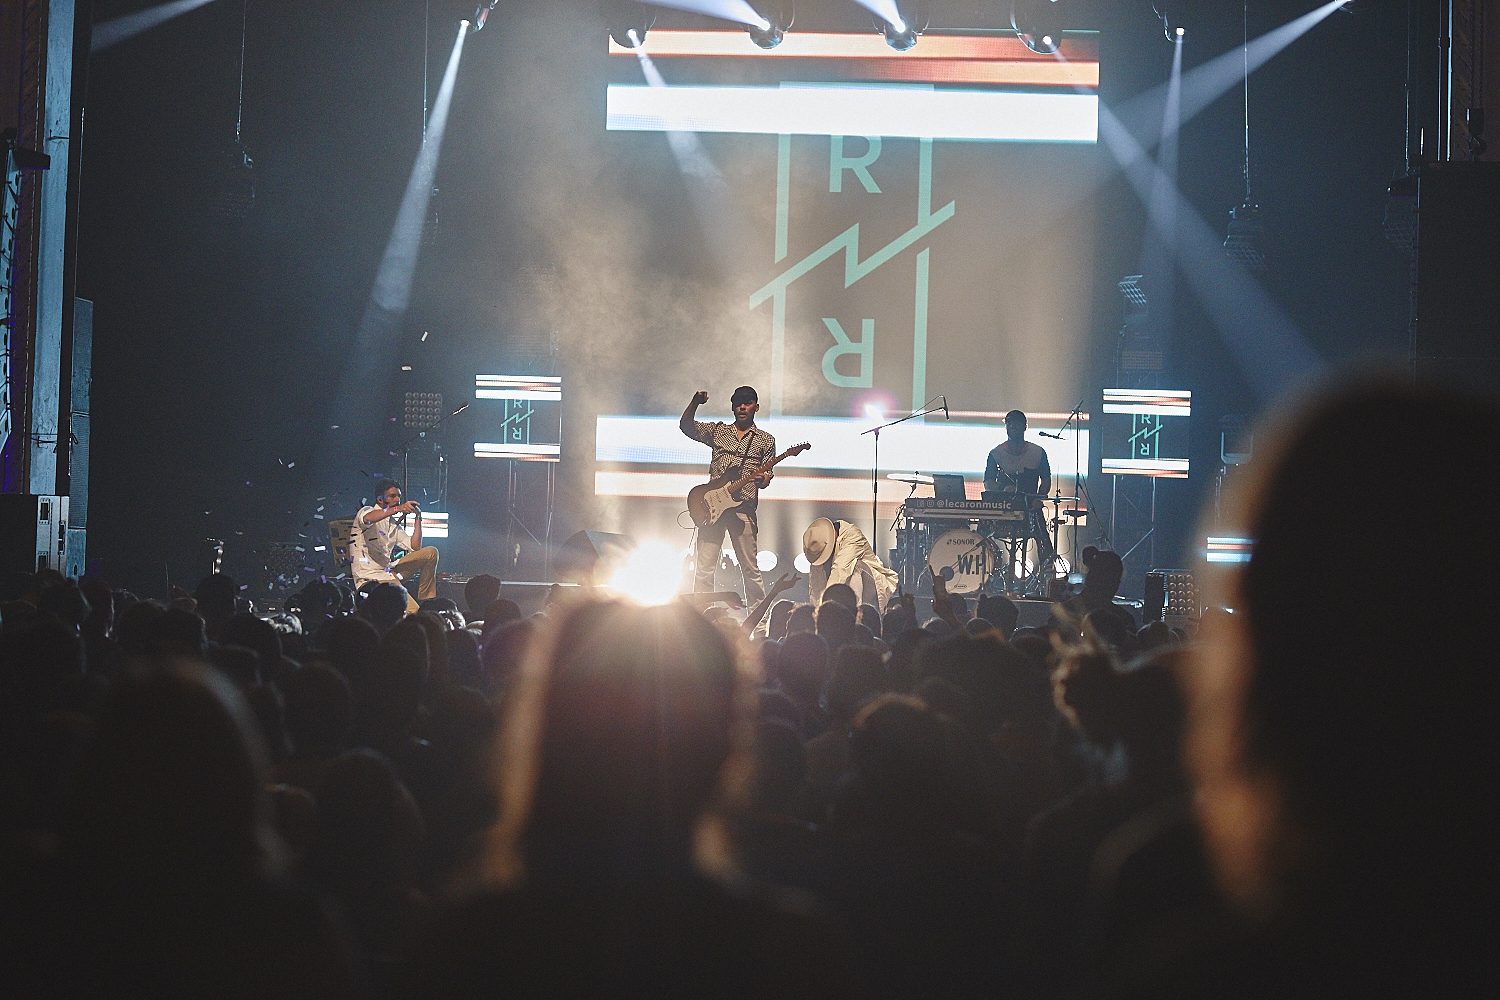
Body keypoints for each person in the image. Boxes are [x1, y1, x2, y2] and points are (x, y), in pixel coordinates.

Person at [680, 386, 776, 605]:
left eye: (747, 403)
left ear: (756, 407)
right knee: (704, 569)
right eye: (737, 403)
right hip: (712, 507)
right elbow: (686, 426)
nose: (742, 407)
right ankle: (703, 618)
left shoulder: (766, 440)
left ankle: (759, 622)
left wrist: (763, 480)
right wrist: (695, 402)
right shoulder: (719, 431)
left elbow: (767, 475)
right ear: (732, 407)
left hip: (743, 509)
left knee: (751, 570)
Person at [983, 409, 1056, 577]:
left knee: (1043, 539)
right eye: (1009, 423)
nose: (1013, 427)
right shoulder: (995, 453)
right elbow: (988, 483)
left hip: (1030, 507)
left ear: (1025, 427)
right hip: (1003, 508)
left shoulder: (1038, 452)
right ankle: (985, 573)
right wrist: (1003, 488)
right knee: (982, 534)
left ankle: (1048, 576)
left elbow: (1046, 480)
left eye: (1016, 423)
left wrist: (1039, 498)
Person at [350, 479, 439, 614]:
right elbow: (368, 518)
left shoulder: (392, 524)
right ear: (380, 499)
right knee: (413, 612)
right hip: (370, 578)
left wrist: (418, 517)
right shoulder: (366, 511)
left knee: (431, 552)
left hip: (389, 572)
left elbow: (415, 547)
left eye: (399, 496)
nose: (398, 499)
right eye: (393, 496)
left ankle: (426, 600)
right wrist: (398, 509)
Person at [802, 517, 900, 613]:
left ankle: (856, 615)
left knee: (854, 566)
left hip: (872, 586)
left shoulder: (852, 536)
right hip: (841, 589)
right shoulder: (817, 548)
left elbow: (841, 569)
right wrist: (817, 614)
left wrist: (826, 605)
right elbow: (816, 585)